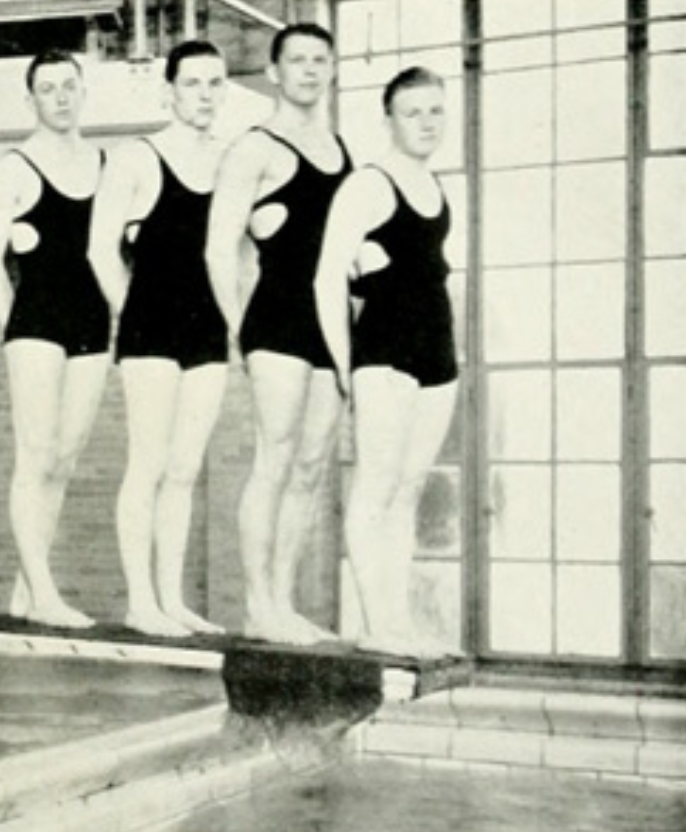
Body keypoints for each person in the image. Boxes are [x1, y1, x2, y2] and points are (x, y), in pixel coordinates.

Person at [206, 23, 350, 644]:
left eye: (321, 60)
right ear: (274, 71)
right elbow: (218, 249)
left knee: (312, 466)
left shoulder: (341, 150)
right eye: (298, 60)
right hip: (275, 319)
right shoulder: (253, 148)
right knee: (275, 456)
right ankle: (257, 604)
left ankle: (283, 600)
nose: (310, 71)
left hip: (329, 323)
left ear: (332, 69)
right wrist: (240, 329)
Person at [315, 67, 458, 659]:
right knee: (375, 488)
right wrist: (346, 366)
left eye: (435, 111)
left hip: (436, 352)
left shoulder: (436, 186)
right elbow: (327, 277)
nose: (426, 123)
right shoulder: (369, 184)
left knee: (407, 491)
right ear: (389, 121)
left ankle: (396, 621)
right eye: (412, 112)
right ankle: (376, 624)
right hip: (384, 351)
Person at [88, 41, 229, 638]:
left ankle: (171, 599)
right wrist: (135, 311)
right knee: (147, 463)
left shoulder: (231, 161)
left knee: (184, 467)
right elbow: (99, 251)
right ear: (168, 90)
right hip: (151, 326)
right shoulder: (136, 159)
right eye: (192, 83)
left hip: (208, 328)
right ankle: (139, 601)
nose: (204, 94)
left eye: (214, 83)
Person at [0, 50, 109, 629]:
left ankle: (26, 589)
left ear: (83, 92)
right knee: (35, 454)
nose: (59, 97)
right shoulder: (14, 168)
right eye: (47, 88)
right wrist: (16, 327)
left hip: (91, 322)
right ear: (30, 100)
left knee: (65, 456)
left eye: (68, 86)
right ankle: (44, 592)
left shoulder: (105, 163)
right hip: (35, 324)